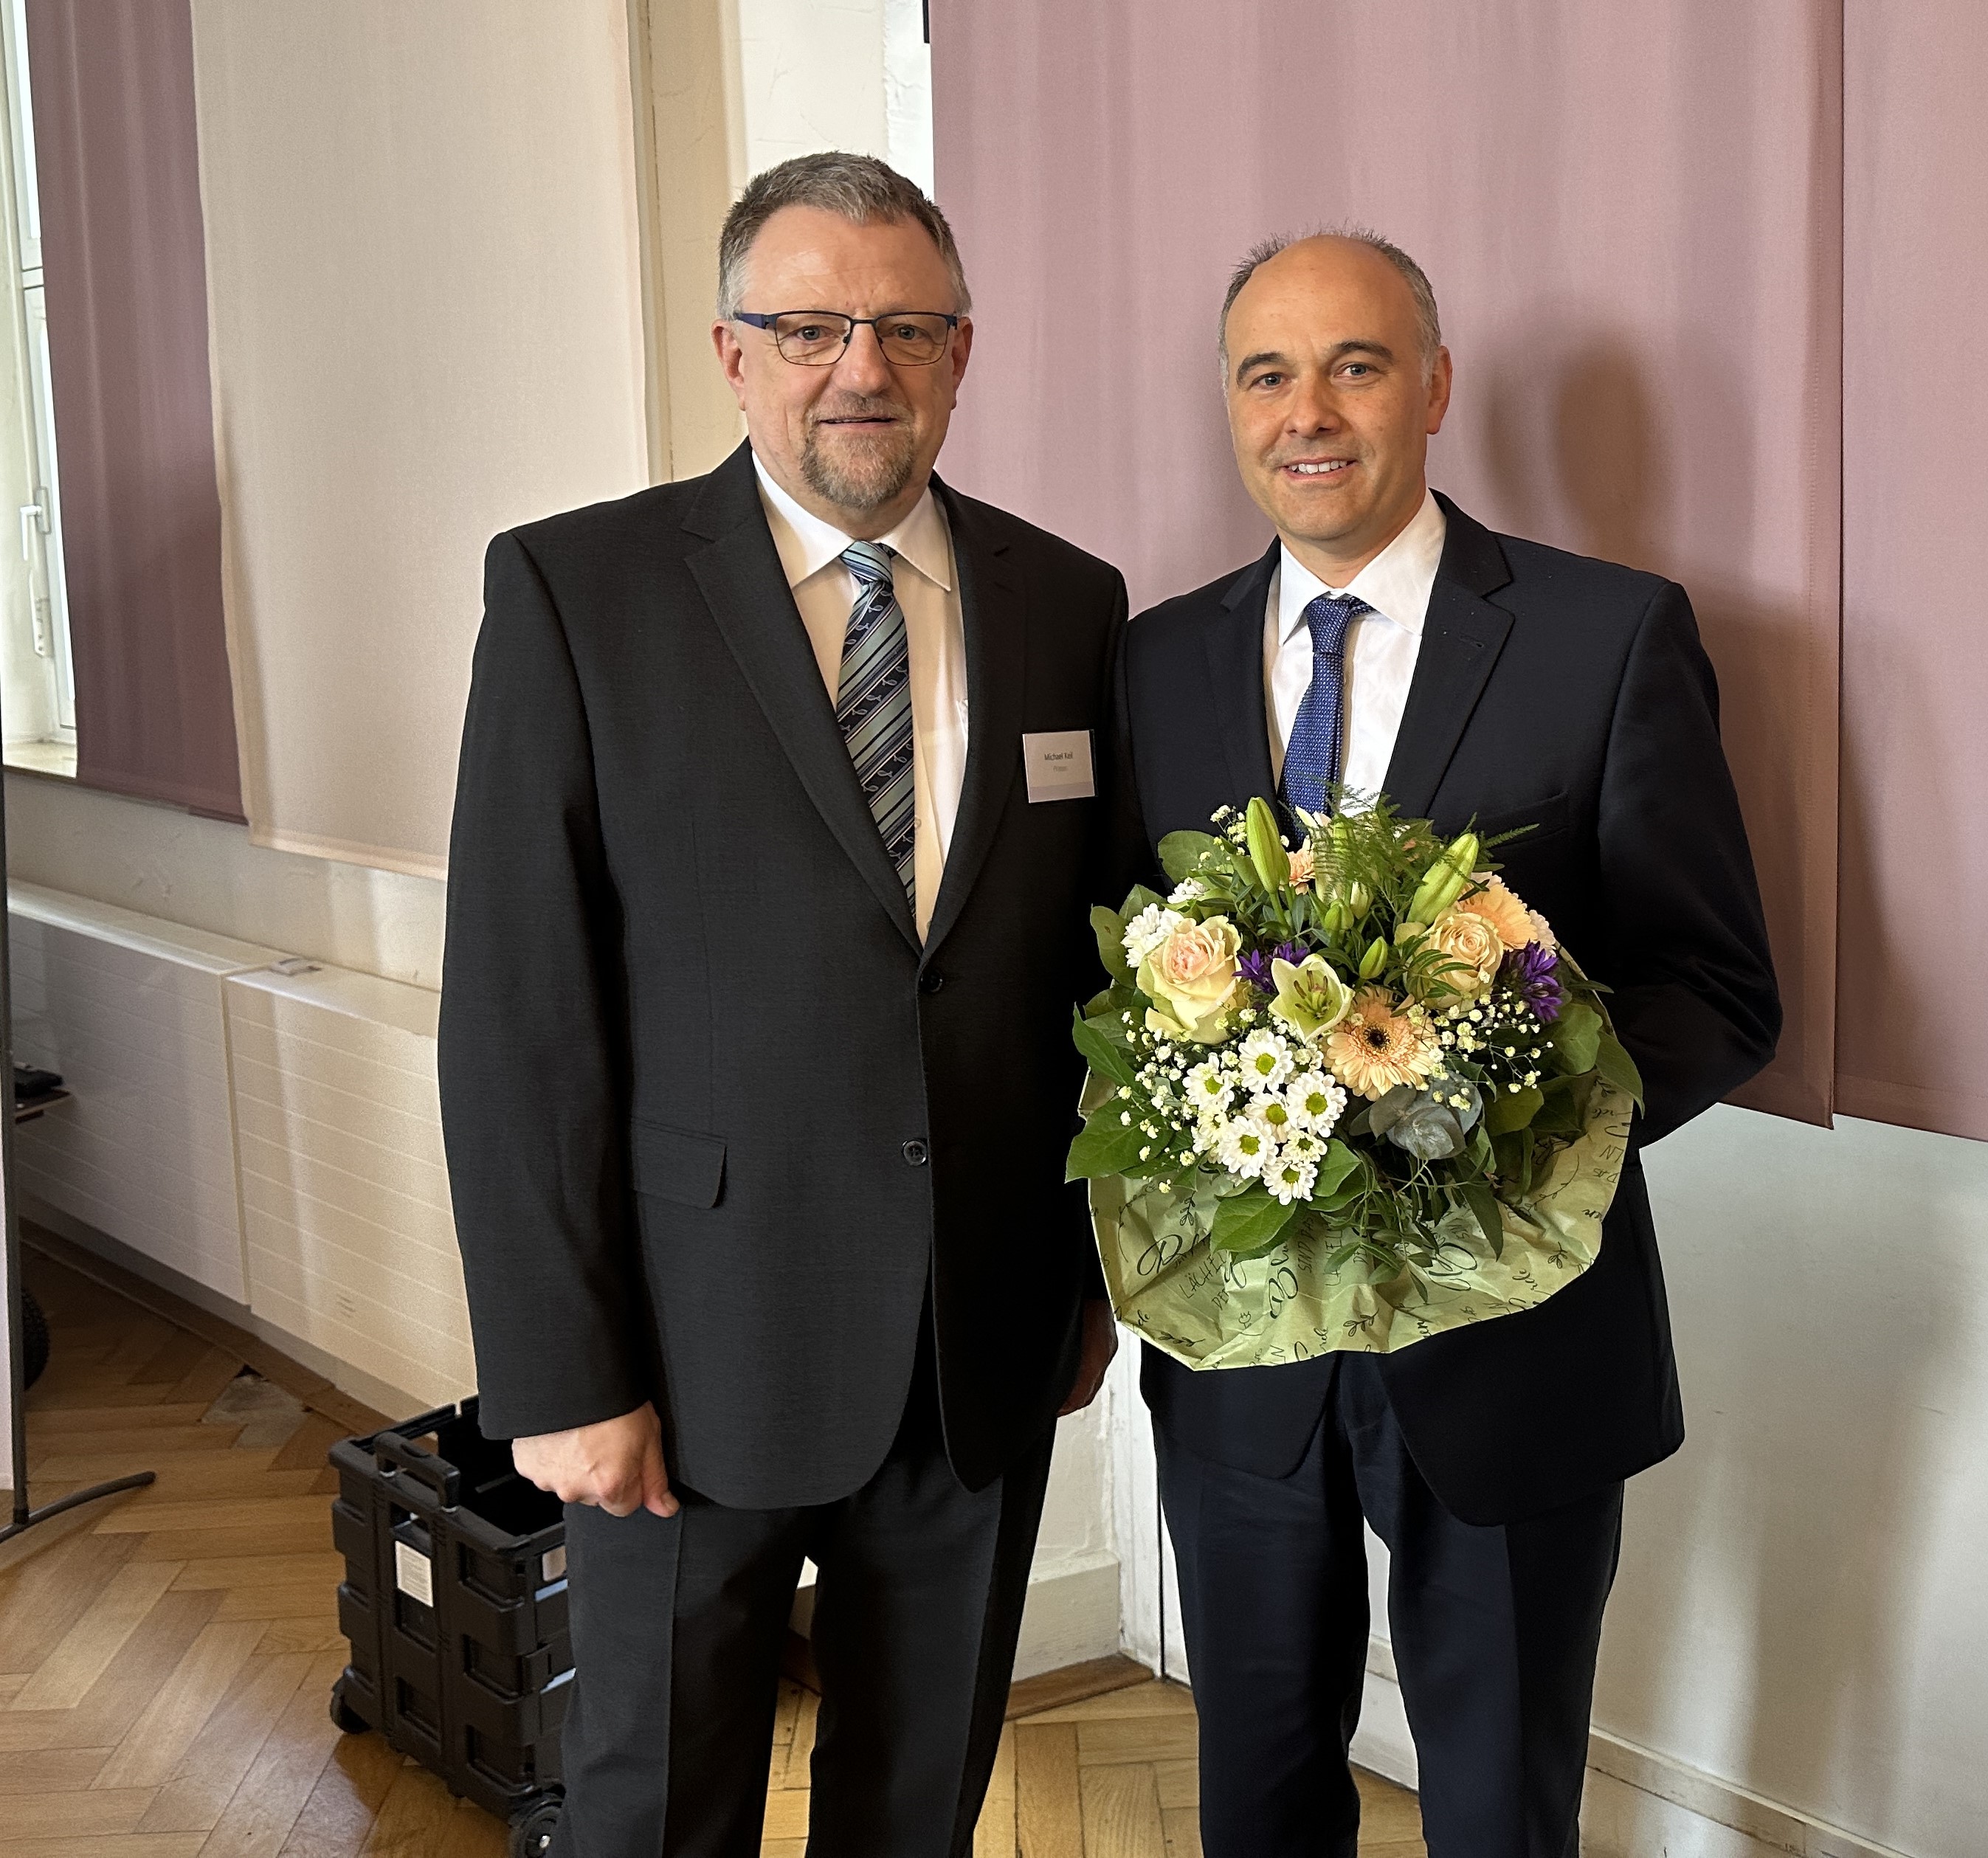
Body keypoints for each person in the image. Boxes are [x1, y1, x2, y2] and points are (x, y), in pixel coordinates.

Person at [440, 151, 1124, 1858]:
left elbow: (1092, 978)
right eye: (810, 327)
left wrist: (1086, 1280)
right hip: (688, 1355)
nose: (860, 368)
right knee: (657, 1804)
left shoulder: (1069, 604)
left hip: (974, 1350)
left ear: (962, 352)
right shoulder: (575, 592)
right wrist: (561, 1367)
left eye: (905, 328)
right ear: (732, 353)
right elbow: (521, 1019)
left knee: (917, 1804)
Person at [1117, 232, 1781, 1857]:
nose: (1308, 411)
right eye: (1267, 374)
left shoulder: (1605, 633)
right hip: (1241, 1364)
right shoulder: (1151, 659)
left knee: (1497, 1808)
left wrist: (1491, 1110)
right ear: (1230, 404)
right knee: (1257, 1796)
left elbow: (1718, 988)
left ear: (1433, 388)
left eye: (1355, 365)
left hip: (1515, 1348)